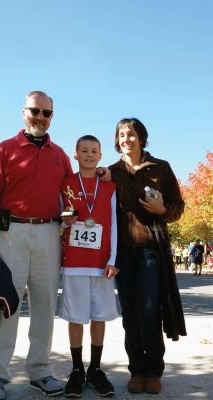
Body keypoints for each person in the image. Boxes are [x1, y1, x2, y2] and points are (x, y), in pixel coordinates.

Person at [0, 90, 73, 400]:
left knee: (45, 305)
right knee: (6, 306)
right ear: (24, 112)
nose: (41, 118)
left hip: (49, 234)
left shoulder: (61, 155)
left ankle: (40, 371)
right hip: (11, 235)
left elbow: (74, 195)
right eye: (35, 111)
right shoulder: (4, 150)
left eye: (47, 113)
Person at [109, 118, 186, 395]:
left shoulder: (160, 168)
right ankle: (136, 371)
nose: (126, 138)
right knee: (129, 314)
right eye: (121, 134)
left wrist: (162, 210)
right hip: (122, 255)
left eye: (131, 133)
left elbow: (179, 206)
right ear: (117, 140)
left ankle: (153, 371)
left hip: (151, 252)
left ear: (141, 137)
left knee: (150, 311)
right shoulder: (111, 172)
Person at [60, 135, 119, 397]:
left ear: (100, 154)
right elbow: (59, 217)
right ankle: (76, 370)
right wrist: (65, 222)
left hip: (101, 262)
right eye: (84, 150)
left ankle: (95, 369)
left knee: (99, 314)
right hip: (74, 261)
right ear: (75, 154)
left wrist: (113, 259)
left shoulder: (109, 185)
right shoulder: (67, 183)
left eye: (94, 151)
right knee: (75, 316)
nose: (89, 154)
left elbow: (115, 224)